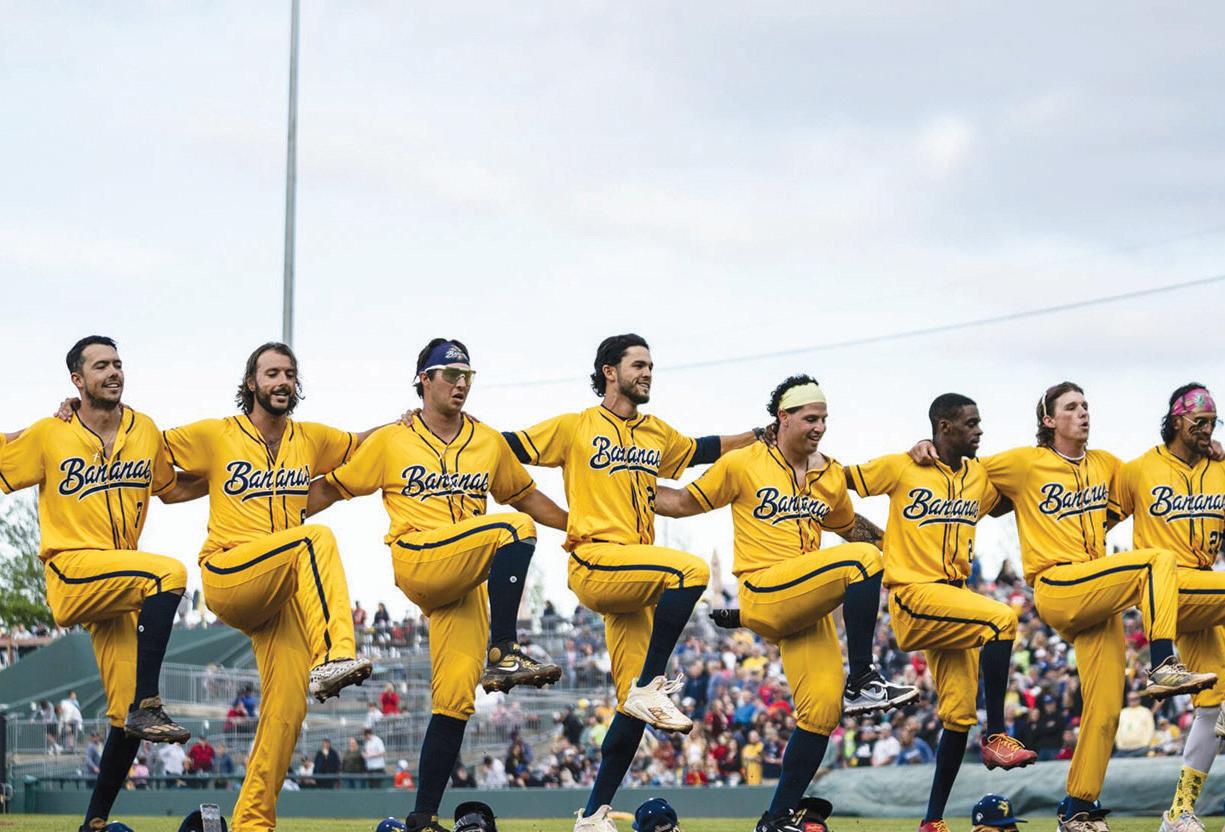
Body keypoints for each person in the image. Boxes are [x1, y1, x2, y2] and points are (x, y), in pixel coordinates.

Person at [910, 381, 1214, 832]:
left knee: (1106, 710)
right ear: (1048, 419)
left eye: (1085, 405)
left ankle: (1076, 808)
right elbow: (961, 473)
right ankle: (1163, 663)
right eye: (1071, 407)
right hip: (1058, 584)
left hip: (1098, 594)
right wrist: (926, 447)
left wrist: (1206, 448)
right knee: (1157, 561)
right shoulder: (1024, 462)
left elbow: (1156, 475)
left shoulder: (1107, 465)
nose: (1083, 412)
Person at [308, 338, 568, 832]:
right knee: (514, 529)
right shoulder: (393, 439)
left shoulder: (487, 440)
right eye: (450, 374)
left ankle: (422, 816)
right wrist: (280, 516)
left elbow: (527, 494)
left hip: (464, 579)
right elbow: (335, 486)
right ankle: (505, 651)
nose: (460, 383)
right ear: (424, 380)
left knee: (455, 700)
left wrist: (577, 527)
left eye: (467, 374)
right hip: (419, 556)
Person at [503, 334, 761, 832]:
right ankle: (651, 685)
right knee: (691, 571)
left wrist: (756, 435)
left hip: (636, 575)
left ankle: (593, 815)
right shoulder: (575, 426)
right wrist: (440, 426)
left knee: (632, 709)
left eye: (650, 366)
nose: (647, 373)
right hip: (597, 559)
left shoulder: (655, 432)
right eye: (638, 365)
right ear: (609, 371)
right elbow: (505, 446)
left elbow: (701, 449)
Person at [655, 374, 917, 831]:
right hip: (764, 588)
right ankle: (863, 678)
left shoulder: (828, 473)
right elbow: (680, 502)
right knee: (860, 562)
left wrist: (903, 553)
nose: (820, 427)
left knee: (822, 712)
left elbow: (850, 528)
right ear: (783, 417)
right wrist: (626, 487)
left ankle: (775, 818)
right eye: (810, 418)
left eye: (824, 418)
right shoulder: (745, 462)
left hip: (804, 603)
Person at [160, 342, 378, 831]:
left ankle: (252, 822)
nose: (282, 381)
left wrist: (411, 423)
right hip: (230, 572)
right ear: (252, 382)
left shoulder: (311, 438)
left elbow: (362, 443)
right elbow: (144, 448)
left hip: (279, 590)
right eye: (272, 373)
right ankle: (335, 653)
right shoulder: (217, 435)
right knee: (313, 539)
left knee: (288, 707)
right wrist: (77, 415)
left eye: (289, 374)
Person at [0, 336, 195, 832]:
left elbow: (171, 488)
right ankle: (150, 704)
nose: (113, 371)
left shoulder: (143, 429)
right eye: (101, 365)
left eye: (117, 363)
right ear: (77, 380)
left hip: (120, 584)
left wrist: (233, 482)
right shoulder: (51, 433)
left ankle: (94, 823)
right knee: (169, 572)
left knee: (123, 716)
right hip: (72, 570)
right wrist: (32, 428)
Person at [851, 393, 1036, 832]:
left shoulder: (978, 476)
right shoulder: (903, 466)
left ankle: (931, 821)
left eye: (979, 422)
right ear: (944, 427)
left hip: (954, 604)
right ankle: (996, 736)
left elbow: (1011, 498)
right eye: (971, 423)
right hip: (914, 597)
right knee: (1001, 619)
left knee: (958, 717)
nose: (979, 430)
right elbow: (838, 482)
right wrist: (872, 540)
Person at [1109, 384, 1225, 832]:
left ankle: (1178, 813)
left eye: (1213, 422)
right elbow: (1098, 521)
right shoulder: (1140, 469)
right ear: (1177, 420)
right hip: (1166, 592)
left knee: (1212, 705)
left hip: (1206, 592)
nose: (1207, 429)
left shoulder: (1219, 467)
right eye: (1200, 422)